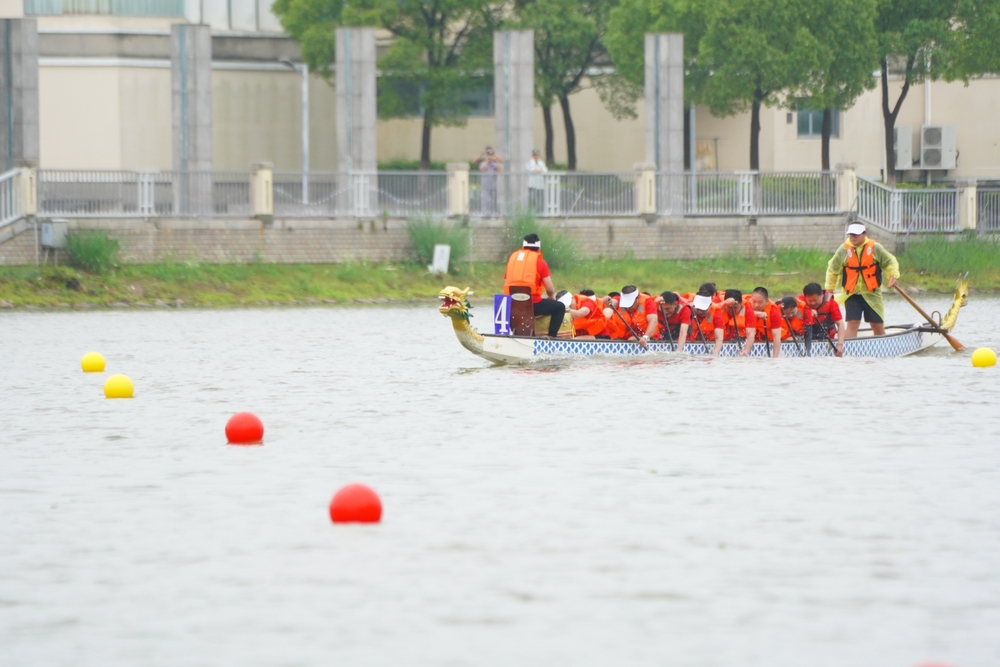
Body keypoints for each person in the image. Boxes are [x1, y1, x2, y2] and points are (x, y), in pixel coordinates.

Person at [825, 222, 899, 337]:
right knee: (853, 322)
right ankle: (849, 346)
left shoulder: (875, 248)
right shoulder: (843, 249)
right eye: (851, 235)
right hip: (851, 295)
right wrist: (829, 290)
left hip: (872, 293)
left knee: (876, 324)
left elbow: (889, 262)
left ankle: (882, 344)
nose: (853, 238)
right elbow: (833, 269)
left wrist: (892, 275)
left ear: (864, 234)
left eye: (856, 235)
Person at [503, 233, 564, 337]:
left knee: (517, 309)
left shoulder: (512, 261)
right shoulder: (541, 263)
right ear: (539, 248)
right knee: (560, 307)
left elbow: (507, 279)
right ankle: (551, 337)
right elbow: (550, 290)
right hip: (532, 305)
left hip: (512, 305)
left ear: (523, 246)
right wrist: (551, 297)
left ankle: (516, 334)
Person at [800, 282, 846, 356]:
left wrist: (840, 345)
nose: (813, 303)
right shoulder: (800, 302)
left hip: (826, 337)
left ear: (822, 295)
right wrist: (808, 311)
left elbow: (840, 324)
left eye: (815, 300)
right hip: (805, 337)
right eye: (810, 301)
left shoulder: (831, 303)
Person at [714, 288, 756, 357]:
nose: (732, 310)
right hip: (716, 338)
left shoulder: (748, 310)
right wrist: (724, 303)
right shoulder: (718, 302)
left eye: (735, 307)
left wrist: (746, 351)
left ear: (741, 304)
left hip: (738, 338)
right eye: (729, 307)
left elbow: (751, 334)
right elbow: (709, 309)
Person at [748, 286, 783, 358]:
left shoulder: (773, 313)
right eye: (754, 301)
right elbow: (740, 316)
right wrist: (756, 314)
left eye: (760, 302)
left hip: (766, 338)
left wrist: (775, 358)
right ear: (751, 299)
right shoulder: (745, 306)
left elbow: (776, 337)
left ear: (767, 302)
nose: (756, 305)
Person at [473, 146, 504, 215]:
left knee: (493, 199)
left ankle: (493, 213)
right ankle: (485, 213)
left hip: (493, 184)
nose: (489, 155)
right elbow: (474, 161)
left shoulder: (494, 162)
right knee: (485, 199)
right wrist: (482, 153)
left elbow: (501, 161)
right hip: (485, 184)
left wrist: (493, 153)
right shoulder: (482, 162)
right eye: (488, 152)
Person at [526, 149, 548, 213]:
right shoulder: (530, 162)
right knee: (532, 199)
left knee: (540, 199)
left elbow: (545, 170)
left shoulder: (541, 163)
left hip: (540, 184)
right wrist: (539, 170)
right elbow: (531, 170)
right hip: (532, 184)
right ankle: (531, 212)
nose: (536, 156)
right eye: (535, 155)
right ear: (532, 155)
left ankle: (540, 212)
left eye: (537, 155)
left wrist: (538, 170)